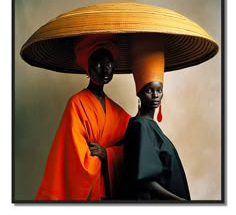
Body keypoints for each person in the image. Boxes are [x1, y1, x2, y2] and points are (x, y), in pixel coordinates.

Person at [35, 34, 131, 201]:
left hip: (112, 191)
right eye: (99, 62)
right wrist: (105, 156)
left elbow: (134, 144)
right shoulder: (76, 104)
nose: (105, 68)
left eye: (109, 62)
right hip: (91, 192)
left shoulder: (118, 112)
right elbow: (76, 157)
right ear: (88, 66)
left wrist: (107, 153)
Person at [121, 34, 191, 201]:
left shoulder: (151, 126)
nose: (155, 95)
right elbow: (145, 181)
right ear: (139, 93)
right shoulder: (140, 125)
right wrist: (179, 201)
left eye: (159, 90)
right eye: (149, 90)